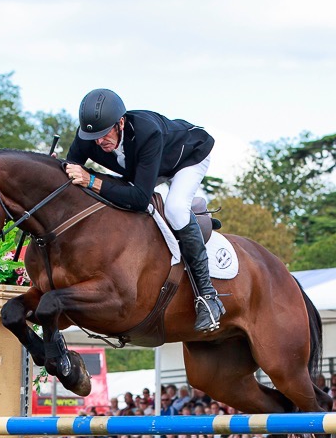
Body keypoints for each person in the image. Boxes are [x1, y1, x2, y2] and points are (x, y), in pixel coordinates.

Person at [64, 88, 224, 332]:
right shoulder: (90, 136)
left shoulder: (147, 133)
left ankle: (208, 297)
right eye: (94, 136)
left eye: (104, 134)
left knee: (175, 208)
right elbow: (71, 166)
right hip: (147, 166)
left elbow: (139, 198)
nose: (98, 142)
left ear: (121, 122)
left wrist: (92, 181)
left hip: (188, 157)